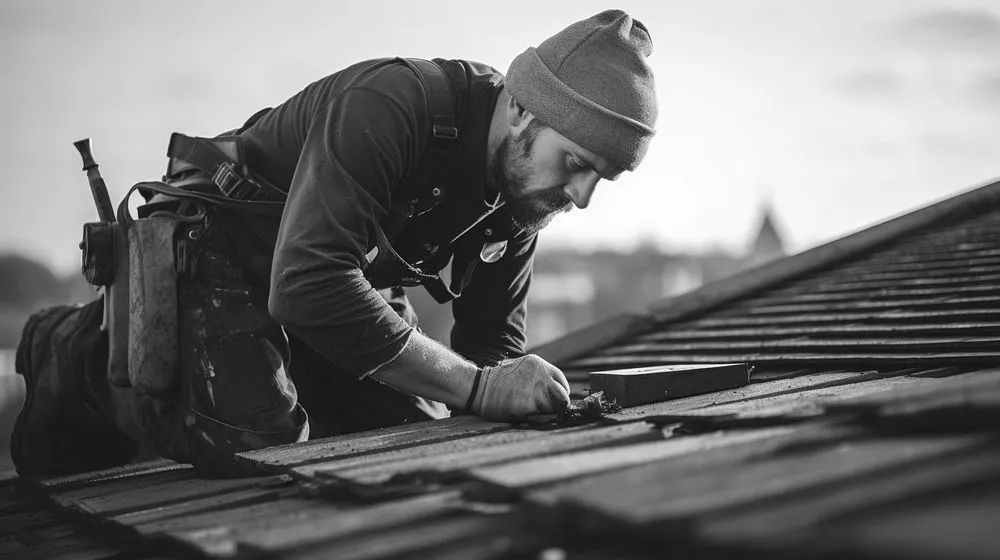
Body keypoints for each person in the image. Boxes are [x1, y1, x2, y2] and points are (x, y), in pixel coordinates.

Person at [11, 9, 658, 477]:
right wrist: (478, 389)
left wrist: (515, 397)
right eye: (575, 164)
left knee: (417, 442)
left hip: (335, 288)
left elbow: (490, 354)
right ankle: (73, 350)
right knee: (262, 450)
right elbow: (307, 285)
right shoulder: (395, 103)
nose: (579, 197)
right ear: (522, 111)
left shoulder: (520, 198)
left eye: (600, 179)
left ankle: (288, 373)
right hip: (223, 247)